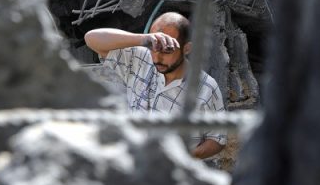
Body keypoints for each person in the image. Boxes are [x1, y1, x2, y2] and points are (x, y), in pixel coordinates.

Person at [84, 12, 227, 159]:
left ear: (187, 48)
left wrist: (182, 158)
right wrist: (143, 39)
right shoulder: (140, 60)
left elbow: (218, 139)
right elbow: (91, 39)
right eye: (153, 48)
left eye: (167, 50)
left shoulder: (206, 87)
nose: (157, 58)